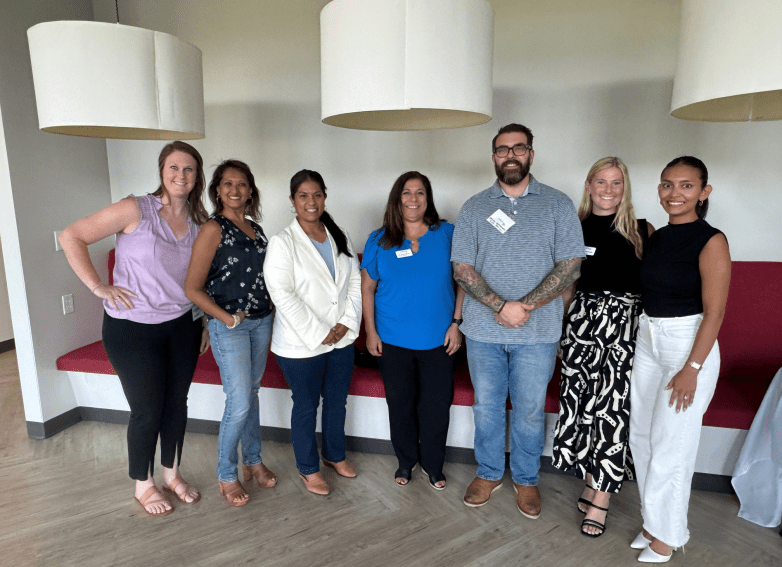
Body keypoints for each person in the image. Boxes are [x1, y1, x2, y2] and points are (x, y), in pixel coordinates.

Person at [59, 141, 209, 517]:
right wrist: (99, 287)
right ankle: (144, 485)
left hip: (182, 327)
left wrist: (202, 318)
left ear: (197, 177)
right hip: (132, 329)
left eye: (188, 169)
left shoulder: (199, 222)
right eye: (173, 167)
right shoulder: (135, 209)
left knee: (176, 404)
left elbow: (197, 278)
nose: (180, 175)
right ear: (162, 171)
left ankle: (172, 475)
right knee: (147, 409)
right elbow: (71, 235)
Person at [451, 123, 585, 518]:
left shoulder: (558, 204)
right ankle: (490, 472)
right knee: (487, 407)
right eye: (502, 149)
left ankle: (526, 479)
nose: (511, 155)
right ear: (493, 157)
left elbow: (571, 265)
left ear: (530, 153)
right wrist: (499, 306)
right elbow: (462, 268)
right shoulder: (475, 207)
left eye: (519, 148)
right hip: (482, 330)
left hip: (539, 331)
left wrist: (523, 306)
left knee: (528, 409)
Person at [629, 156, 730, 563]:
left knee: (674, 444)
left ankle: (669, 536)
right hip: (648, 338)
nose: (675, 193)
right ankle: (653, 522)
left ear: (704, 192)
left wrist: (692, 368)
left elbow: (716, 312)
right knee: (641, 435)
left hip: (687, 345)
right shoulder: (656, 237)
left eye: (686, 186)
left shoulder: (711, 240)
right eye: (667, 185)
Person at [551, 157, 654, 537]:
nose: (608, 190)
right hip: (582, 325)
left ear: (624, 188)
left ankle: (602, 496)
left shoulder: (642, 230)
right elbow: (567, 286)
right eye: (601, 182)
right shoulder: (572, 228)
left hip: (625, 329)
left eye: (616, 183)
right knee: (583, 408)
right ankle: (592, 481)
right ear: (589, 184)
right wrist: (561, 331)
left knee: (613, 409)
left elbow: (656, 284)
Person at [361, 171, 465, 489]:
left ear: (428, 198)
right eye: (407, 192)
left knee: (435, 408)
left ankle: (433, 466)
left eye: (420, 192)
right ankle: (405, 462)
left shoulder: (447, 233)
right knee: (401, 407)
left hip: (439, 340)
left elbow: (464, 280)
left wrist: (457, 324)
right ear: (397, 198)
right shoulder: (380, 239)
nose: (414, 199)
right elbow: (367, 288)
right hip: (392, 341)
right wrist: (371, 332)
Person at [184, 159, 277, 507]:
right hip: (231, 327)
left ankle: (252, 461)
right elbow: (192, 288)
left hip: (262, 321)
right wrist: (225, 318)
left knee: (250, 394)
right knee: (238, 402)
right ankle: (226, 474)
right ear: (217, 190)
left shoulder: (257, 228)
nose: (235, 190)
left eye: (241, 184)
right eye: (227, 184)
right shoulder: (213, 228)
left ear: (250, 190)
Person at [264, 170, 362, 496]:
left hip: (342, 337)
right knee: (306, 405)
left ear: (324, 197)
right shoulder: (282, 243)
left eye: (317, 194)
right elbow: (283, 294)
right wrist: (322, 333)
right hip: (301, 343)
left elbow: (354, 284)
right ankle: (308, 468)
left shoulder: (339, 234)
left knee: (337, 401)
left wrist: (346, 323)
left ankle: (334, 455)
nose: (311, 201)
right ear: (293, 201)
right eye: (303, 195)